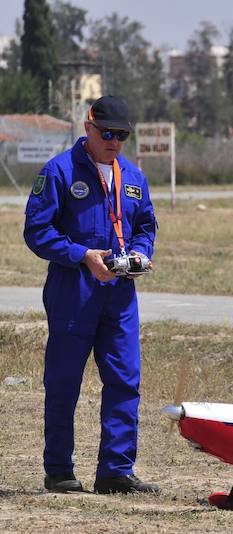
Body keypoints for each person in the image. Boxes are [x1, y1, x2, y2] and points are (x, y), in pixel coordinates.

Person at [24, 95, 161, 495]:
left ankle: (115, 471)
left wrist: (141, 252)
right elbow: (37, 232)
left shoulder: (133, 176)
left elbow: (147, 225)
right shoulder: (59, 172)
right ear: (88, 127)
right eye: (107, 133)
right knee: (64, 381)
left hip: (119, 294)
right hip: (74, 290)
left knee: (124, 378)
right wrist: (82, 255)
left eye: (122, 135)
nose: (114, 141)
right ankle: (59, 471)